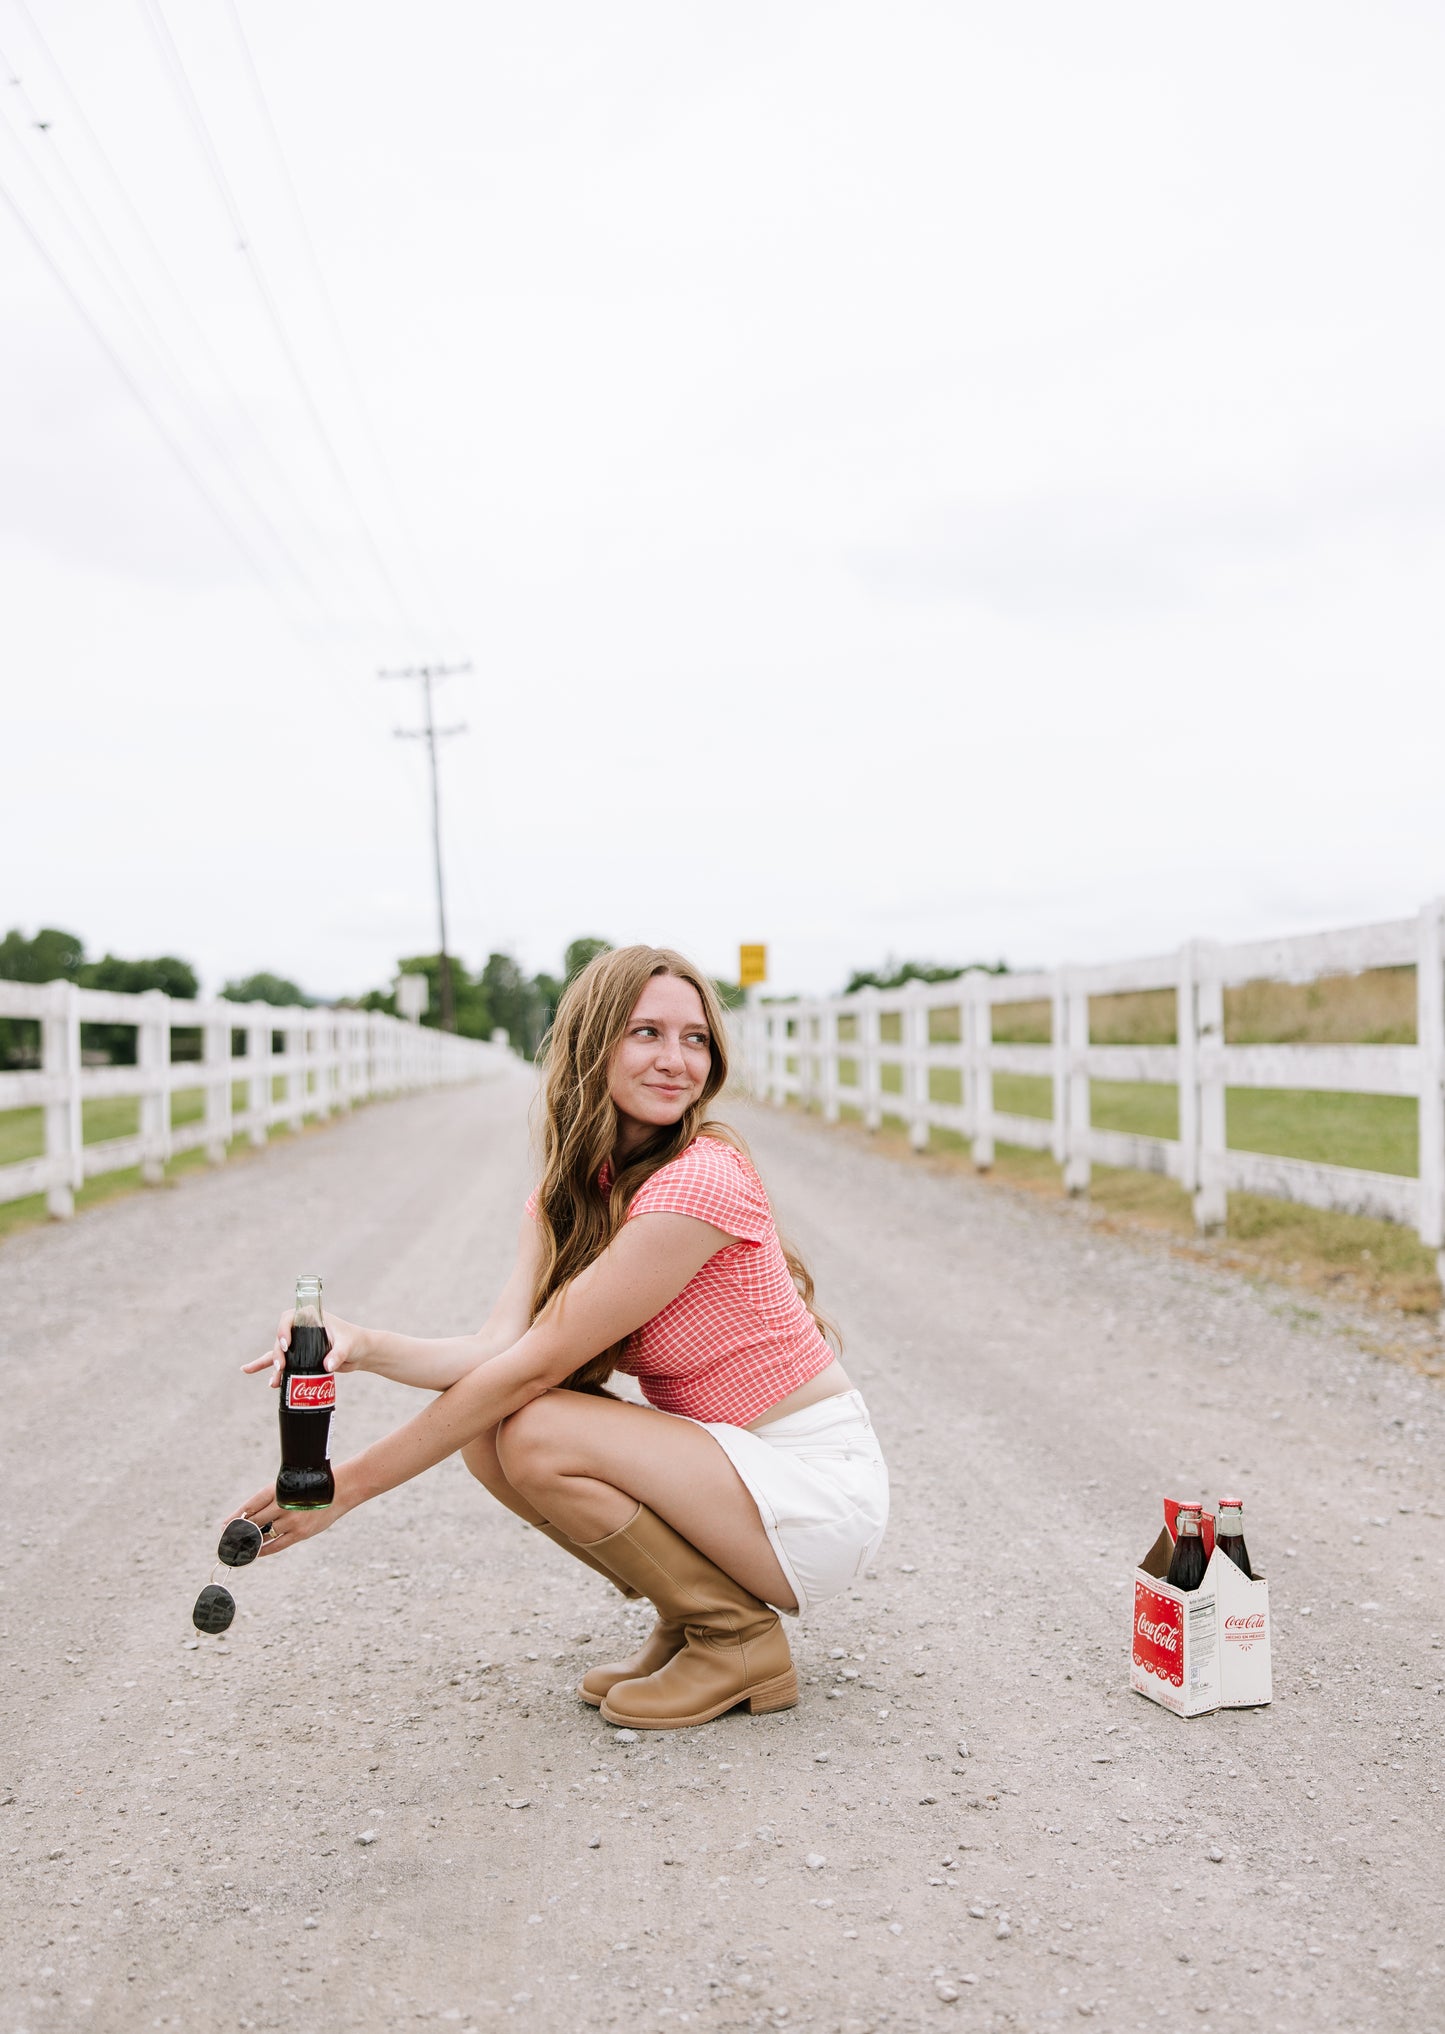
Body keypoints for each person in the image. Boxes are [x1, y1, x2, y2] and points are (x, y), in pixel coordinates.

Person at [228, 945, 889, 1731]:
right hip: (730, 1473)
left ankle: (735, 1637)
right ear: (593, 1042)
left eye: (695, 1038)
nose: (676, 1060)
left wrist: (349, 1486)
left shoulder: (700, 1179)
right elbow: (494, 1355)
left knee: (530, 1423)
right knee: (485, 1430)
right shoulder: (572, 1194)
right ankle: (692, 1615)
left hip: (811, 1487)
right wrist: (360, 1342)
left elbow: (529, 1371)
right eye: (646, 1032)